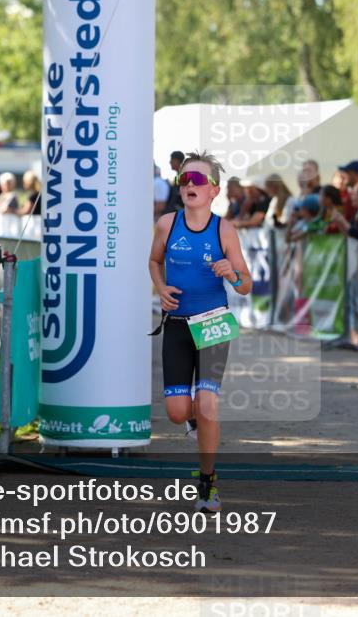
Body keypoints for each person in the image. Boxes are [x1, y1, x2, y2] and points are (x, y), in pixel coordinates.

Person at [149, 151, 252, 513]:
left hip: (212, 323)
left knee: (208, 405)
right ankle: (191, 419)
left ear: (214, 191)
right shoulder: (166, 224)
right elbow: (154, 261)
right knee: (178, 412)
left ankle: (207, 483)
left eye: (197, 180)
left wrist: (232, 273)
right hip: (177, 326)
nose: (189, 185)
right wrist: (160, 288)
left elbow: (245, 285)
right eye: (184, 179)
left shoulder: (223, 229)